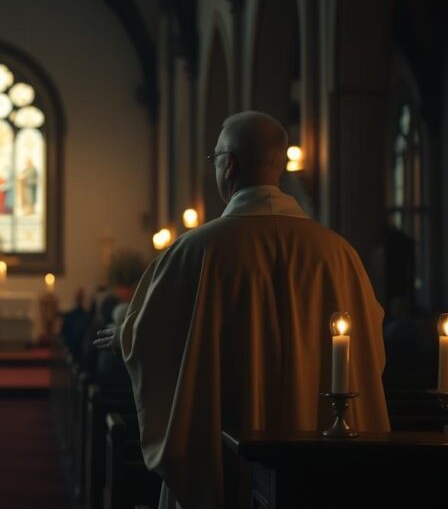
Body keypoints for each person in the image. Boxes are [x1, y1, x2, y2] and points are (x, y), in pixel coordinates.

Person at [95, 111, 389, 509]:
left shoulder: (196, 250)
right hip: (318, 462)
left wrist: (124, 339)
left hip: (222, 462)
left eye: (214, 158)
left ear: (228, 164)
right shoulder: (339, 254)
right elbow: (369, 347)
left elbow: (151, 339)